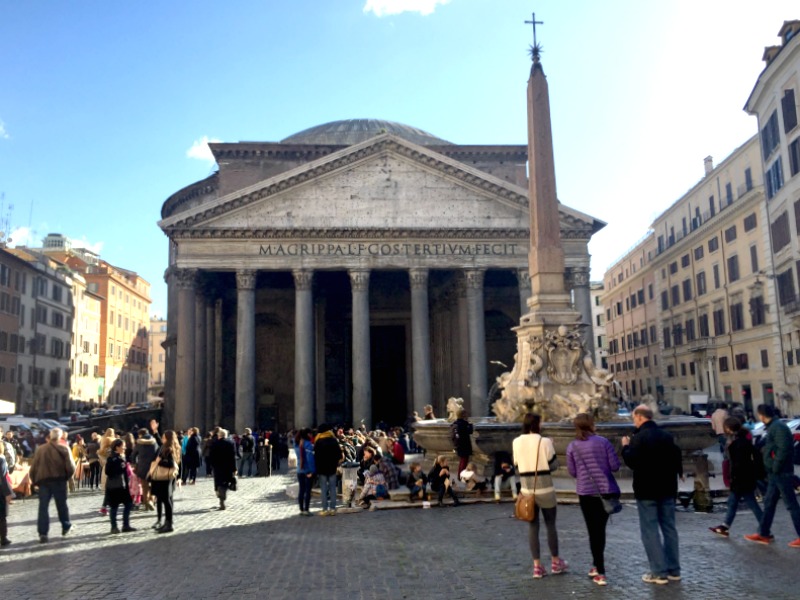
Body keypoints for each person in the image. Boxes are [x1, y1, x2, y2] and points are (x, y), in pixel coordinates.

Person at [622, 404, 683, 585]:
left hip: (647, 490)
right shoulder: (666, 436)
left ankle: (658, 572)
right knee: (669, 529)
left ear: (640, 417)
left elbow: (632, 461)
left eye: (634, 418)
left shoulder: (638, 438)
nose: (634, 421)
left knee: (650, 531)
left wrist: (625, 447)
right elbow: (676, 455)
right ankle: (674, 570)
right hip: (667, 489)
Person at [566, 413, 621, 587]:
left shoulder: (572, 446)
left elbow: (572, 471)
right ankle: (598, 567)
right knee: (600, 531)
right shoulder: (603, 442)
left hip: (586, 493)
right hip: (605, 491)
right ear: (591, 425)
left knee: (592, 531)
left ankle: (599, 569)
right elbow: (614, 466)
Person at [513, 413, 565, 579]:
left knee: (533, 527)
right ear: (537, 424)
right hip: (546, 490)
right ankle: (555, 563)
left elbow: (516, 466)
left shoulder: (516, 442)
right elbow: (555, 466)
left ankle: (537, 566)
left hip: (528, 491)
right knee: (551, 525)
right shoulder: (545, 441)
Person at [744, 404, 800, 548]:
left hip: (781, 472)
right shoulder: (774, 426)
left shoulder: (778, 427)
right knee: (769, 503)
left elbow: (784, 449)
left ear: (762, 415)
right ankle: (764, 533)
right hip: (775, 473)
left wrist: (775, 466)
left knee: (791, 505)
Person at [709, 416, 764, 538]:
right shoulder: (741, 440)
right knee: (734, 503)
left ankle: (765, 529)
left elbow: (738, 464)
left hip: (741, 480)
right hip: (744, 479)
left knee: (750, 504)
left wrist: (733, 479)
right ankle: (724, 527)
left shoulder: (739, 443)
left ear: (728, 428)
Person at [28, 428, 75, 543]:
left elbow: (33, 467)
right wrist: (66, 477)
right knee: (62, 505)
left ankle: (43, 533)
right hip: (59, 480)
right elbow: (71, 467)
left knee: (43, 507)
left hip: (44, 481)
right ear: (59, 437)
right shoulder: (64, 448)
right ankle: (66, 525)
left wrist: (34, 481)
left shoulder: (40, 449)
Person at [150, 430, 181, 533]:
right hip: (169, 478)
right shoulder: (173, 446)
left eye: (163, 436)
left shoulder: (168, 449)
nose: (162, 438)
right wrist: (155, 432)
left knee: (166, 500)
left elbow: (171, 464)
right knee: (168, 500)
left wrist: (159, 462)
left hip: (165, 478)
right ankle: (167, 522)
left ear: (167, 438)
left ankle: (169, 524)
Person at [105, 439, 136, 534]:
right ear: (117, 447)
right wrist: (121, 466)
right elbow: (108, 472)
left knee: (128, 504)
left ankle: (125, 525)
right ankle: (114, 527)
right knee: (114, 507)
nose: (125, 447)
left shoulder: (121, 457)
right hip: (116, 487)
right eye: (123, 446)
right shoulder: (112, 458)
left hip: (122, 486)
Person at [314, 423, 343, 516]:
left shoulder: (318, 441)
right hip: (332, 468)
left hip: (322, 469)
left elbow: (316, 457)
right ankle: (333, 509)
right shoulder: (333, 440)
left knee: (324, 489)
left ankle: (325, 509)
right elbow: (339, 455)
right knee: (333, 489)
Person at [209, 428, 237, 511]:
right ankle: (222, 498)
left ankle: (220, 496)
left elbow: (211, 456)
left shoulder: (215, 443)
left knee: (218, 481)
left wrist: (212, 465)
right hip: (228, 466)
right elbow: (233, 457)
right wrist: (234, 468)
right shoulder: (231, 443)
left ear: (219, 435)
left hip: (217, 467)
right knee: (225, 482)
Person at [132, 428, 158, 511]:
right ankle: (151, 500)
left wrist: (135, 463)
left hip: (142, 467)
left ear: (140, 435)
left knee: (144, 485)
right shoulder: (154, 442)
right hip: (153, 466)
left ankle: (146, 502)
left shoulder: (139, 443)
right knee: (154, 485)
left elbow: (133, 455)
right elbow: (158, 453)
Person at [294, 429, 315, 516]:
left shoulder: (296, 444)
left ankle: (301, 509)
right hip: (307, 470)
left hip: (299, 469)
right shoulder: (308, 444)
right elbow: (309, 459)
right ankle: (306, 509)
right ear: (307, 434)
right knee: (308, 491)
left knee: (301, 490)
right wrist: (311, 471)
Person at [452, 409, 473, 475]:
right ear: (463, 415)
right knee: (464, 460)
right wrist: (470, 423)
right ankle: (461, 475)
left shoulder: (455, 422)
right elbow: (470, 431)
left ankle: (460, 474)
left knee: (462, 460)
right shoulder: (464, 423)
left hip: (459, 444)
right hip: (465, 444)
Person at [1, 441, 13, 547]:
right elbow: (3, 478)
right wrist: (7, 493)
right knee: (1, 516)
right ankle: (3, 538)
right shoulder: (1, 459)